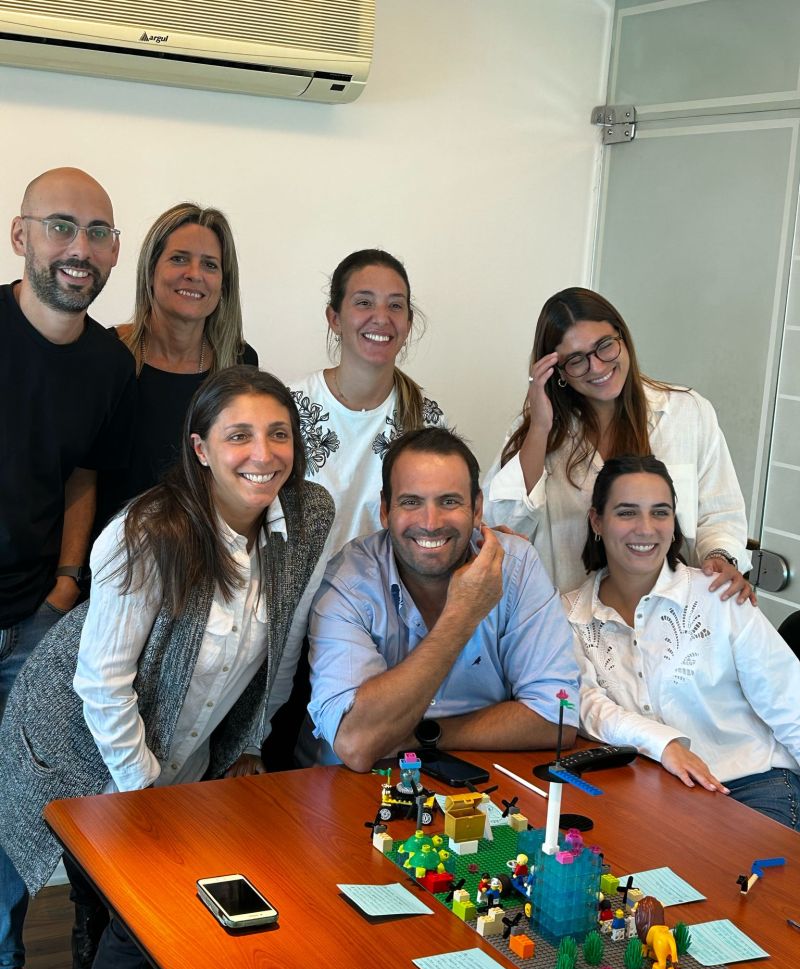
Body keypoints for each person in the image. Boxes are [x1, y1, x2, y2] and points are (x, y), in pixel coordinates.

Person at [0, 366, 334, 969]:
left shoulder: (306, 515)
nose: (263, 453)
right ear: (201, 449)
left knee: (175, 912)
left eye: (278, 434)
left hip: (183, 750)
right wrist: (144, 795)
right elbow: (101, 683)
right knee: (142, 913)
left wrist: (250, 742)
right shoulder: (150, 529)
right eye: (239, 435)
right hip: (78, 740)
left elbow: (280, 640)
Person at [0, 167, 135, 969]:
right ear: (21, 236)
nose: (78, 248)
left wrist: (62, 584)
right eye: (60, 227)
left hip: (31, 621)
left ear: (114, 251)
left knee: (15, 810)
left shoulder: (108, 364)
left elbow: (84, 474)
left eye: (96, 232)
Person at [300, 427, 579, 772]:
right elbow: (357, 745)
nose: (430, 523)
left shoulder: (516, 565)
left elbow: (557, 718)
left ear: (477, 509)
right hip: (346, 786)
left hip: (475, 777)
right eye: (411, 502)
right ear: (385, 510)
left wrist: (424, 735)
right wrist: (461, 616)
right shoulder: (349, 580)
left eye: (449, 502)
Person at [564, 454, 800, 830]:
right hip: (654, 789)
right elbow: (585, 706)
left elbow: (790, 702)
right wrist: (665, 744)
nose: (646, 528)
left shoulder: (719, 595)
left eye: (660, 513)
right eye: (627, 512)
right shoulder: (571, 614)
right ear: (597, 521)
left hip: (753, 784)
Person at [482, 287, 752, 599]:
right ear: (557, 372)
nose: (597, 367)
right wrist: (540, 428)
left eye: (604, 346)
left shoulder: (687, 413)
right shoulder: (538, 432)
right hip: (567, 620)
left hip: (675, 615)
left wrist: (720, 557)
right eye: (576, 360)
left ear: (622, 338)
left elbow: (721, 514)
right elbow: (500, 529)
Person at [96, 202, 258, 529]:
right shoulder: (106, 354)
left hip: (204, 548)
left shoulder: (240, 364)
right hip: (112, 551)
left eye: (210, 265)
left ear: (223, 284)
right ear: (150, 270)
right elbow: (81, 475)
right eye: (179, 258)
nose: (194, 274)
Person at [290, 248, 445, 553]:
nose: (382, 318)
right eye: (364, 303)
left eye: (395, 305)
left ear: (408, 322)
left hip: (387, 585)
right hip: (295, 586)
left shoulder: (428, 421)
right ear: (334, 318)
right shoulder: (288, 409)